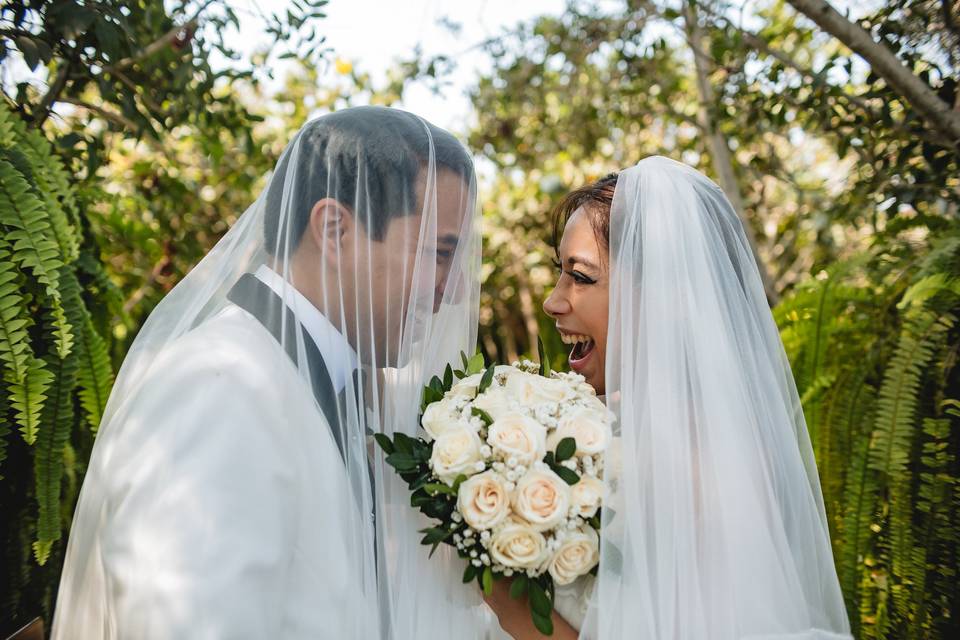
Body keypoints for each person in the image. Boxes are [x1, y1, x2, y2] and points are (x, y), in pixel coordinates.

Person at [51, 106, 490, 639]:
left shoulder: (314, 383)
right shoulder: (220, 388)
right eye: (440, 253)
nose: (458, 289)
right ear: (334, 230)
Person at [486, 157, 851, 639]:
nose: (554, 301)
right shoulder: (601, 429)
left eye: (581, 276)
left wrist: (504, 600)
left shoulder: (691, 462)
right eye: (561, 273)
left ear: (661, 294)